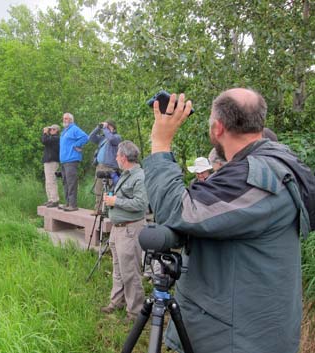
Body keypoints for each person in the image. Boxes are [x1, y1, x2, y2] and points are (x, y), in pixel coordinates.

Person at [143, 88, 315, 353]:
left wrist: (160, 145)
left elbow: (177, 210)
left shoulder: (254, 178)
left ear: (218, 128)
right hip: (255, 330)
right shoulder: (280, 164)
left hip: (238, 339)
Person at [101, 140, 149, 323]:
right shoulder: (126, 175)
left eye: (117, 155)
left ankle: (135, 312)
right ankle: (117, 302)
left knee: (130, 271)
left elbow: (141, 204)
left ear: (123, 157)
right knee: (118, 269)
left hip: (130, 229)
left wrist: (116, 202)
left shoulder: (139, 176)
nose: (115, 158)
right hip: (118, 229)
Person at [89, 119, 122, 214]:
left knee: (111, 189)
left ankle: (110, 211)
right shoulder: (103, 138)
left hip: (111, 167)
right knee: (98, 188)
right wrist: (98, 127)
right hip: (100, 166)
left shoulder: (117, 137)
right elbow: (91, 137)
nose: (105, 128)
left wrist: (105, 129)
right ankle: (98, 209)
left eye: (107, 126)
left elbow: (111, 140)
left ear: (112, 127)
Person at [59, 112, 88, 212]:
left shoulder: (74, 129)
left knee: (71, 183)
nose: (64, 120)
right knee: (65, 182)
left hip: (71, 160)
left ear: (71, 120)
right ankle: (67, 203)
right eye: (63, 118)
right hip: (64, 160)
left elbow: (85, 137)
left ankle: (73, 204)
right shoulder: (65, 131)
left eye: (66, 118)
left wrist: (76, 145)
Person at [41, 124, 60, 207]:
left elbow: (44, 141)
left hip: (52, 161)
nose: (50, 130)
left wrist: (45, 133)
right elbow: (44, 140)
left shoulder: (56, 138)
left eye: (52, 129)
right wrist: (46, 134)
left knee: (52, 180)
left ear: (56, 130)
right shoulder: (51, 138)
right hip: (48, 161)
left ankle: (55, 200)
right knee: (48, 181)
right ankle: (50, 199)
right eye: (50, 129)